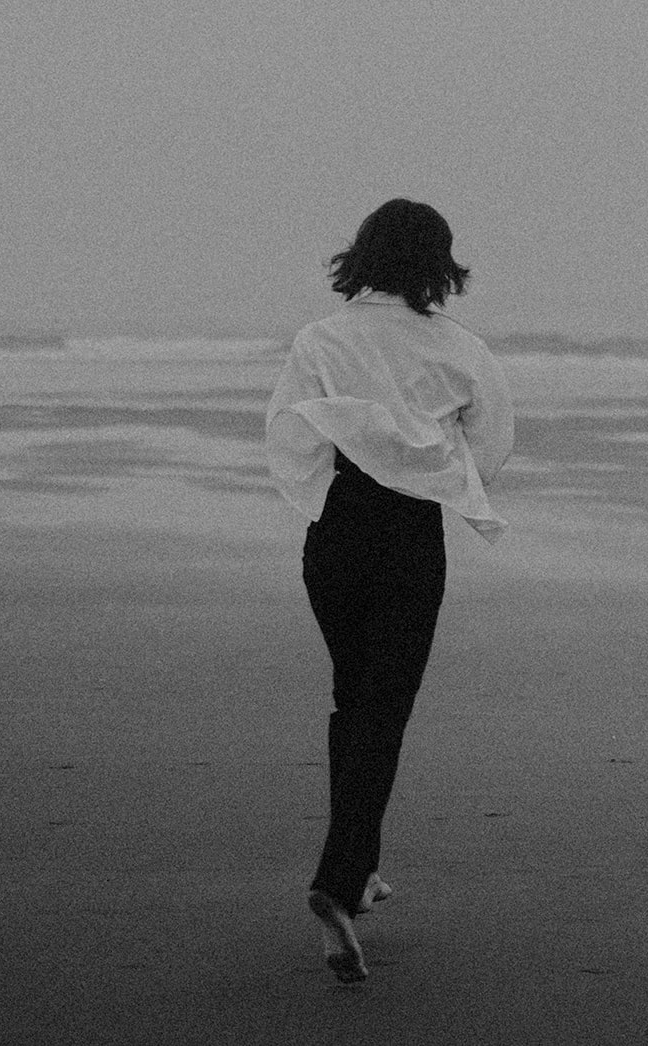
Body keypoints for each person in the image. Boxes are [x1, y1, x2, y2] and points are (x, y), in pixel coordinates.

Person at [265, 199, 514, 982]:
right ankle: (339, 882)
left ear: (363, 253)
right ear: (439, 264)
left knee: (355, 699)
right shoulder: (460, 348)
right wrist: (435, 469)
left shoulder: (320, 338)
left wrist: (322, 496)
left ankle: (358, 871)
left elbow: (291, 434)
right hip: (409, 532)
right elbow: (493, 445)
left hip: (336, 528)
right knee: (384, 707)